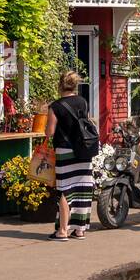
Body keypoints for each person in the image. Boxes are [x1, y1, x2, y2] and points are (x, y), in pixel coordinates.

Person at [45, 70, 94, 240]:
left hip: (65, 151)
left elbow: (50, 132)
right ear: (75, 85)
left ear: (60, 85)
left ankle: (63, 231)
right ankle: (80, 230)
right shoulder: (83, 102)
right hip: (84, 151)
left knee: (65, 189)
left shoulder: (55, 106)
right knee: (83, 188)